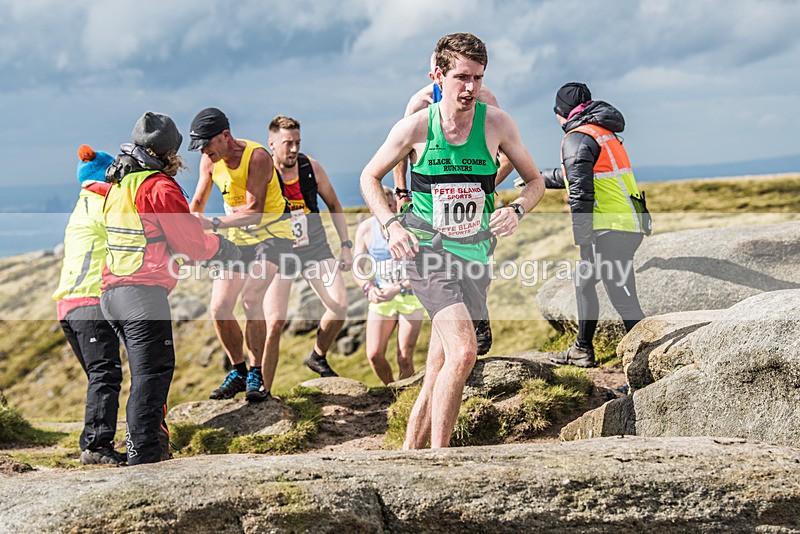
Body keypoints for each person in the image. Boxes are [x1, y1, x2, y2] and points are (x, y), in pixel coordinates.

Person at [360, 33, 545, 449]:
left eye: (478, 78)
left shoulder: (497, 123)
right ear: (437, 76)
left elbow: (535, 180)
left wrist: (515, 210)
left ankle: (409, 454)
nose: (470, 88)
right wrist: (392, 224)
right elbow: (368, 177)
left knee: (442, 363)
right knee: (464, 352)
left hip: (475, 255)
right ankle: (442, 460)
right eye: (462, 77)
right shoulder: (414, 128)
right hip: (427, 252)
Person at [101, 111, 240, 465]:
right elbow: (190, 245)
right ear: (169, 152)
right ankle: (145, 458)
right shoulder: (159, 186)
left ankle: (146, 452)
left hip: (112, 294)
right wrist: (222, 248)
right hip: (142, 295)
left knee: (144, 375)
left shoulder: (120, 184)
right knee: (152, 376)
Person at [187, 108, 294, 402]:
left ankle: (256, 372)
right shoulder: (209, 160)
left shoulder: (257, 157)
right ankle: (238, 370)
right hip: (237, 239)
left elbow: (254, 213)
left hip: (274, 236)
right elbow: (197, 201)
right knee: (219, 307)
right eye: (201, 148)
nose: (205, 151)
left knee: (251, 298)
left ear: (225, 136)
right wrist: (182, 234)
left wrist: (214, 224)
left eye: (207, 144)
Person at [542, 82, 648, 368]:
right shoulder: (603, 133)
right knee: (585, 281)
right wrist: (539, 179)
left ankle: (645, 367)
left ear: (560, 113)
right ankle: (582, 348)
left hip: (610, 230)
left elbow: (580, 193)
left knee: (624, 300)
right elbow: (580, 174)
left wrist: (584, 241)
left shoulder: (577, 138)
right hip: (627, 223)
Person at [262, 115, 352, 387]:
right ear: (272, 143)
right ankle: (262, 389)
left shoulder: (310, 167)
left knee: (339, 306)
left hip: (314, 248)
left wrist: (346, 246)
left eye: (297, 142)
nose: (293, 149)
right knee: (275, 322)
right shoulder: (263, 171)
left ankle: (317, 355)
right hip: (280, 250)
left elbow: (335, 204)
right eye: (287, 143)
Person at [53, 145, 125, 466]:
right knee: (105, 373)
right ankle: (96, 446)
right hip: (90, 302)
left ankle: (92, 441)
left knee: (99, 374)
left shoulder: (81, 205)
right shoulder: (104, 206)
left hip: (68, 306)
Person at [352, 186, 424, 385]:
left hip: (410, 296)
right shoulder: (366, 229)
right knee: (374, 354)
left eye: (391, 197)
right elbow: (357, 268)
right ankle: (391, 389)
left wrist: (400, 287)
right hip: (383, 297)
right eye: (383, 199)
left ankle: (407, 395)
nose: (389, 202)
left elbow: (425, 267)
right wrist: (368, 288)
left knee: (404, 356)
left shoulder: (410, 224)